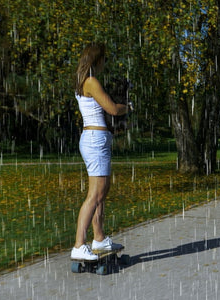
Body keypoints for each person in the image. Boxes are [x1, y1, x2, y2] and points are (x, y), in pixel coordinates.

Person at [71, 43, 130, 260]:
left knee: (101, 193)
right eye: (104, 59)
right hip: (95, 140)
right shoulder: (92, 82)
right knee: (94, 195)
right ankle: (79, 245)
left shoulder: (84, 81)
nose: (105, 63)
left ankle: (99, 238)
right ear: (96, 60)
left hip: (95, 139)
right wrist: (128, 107)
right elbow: (112, 109)